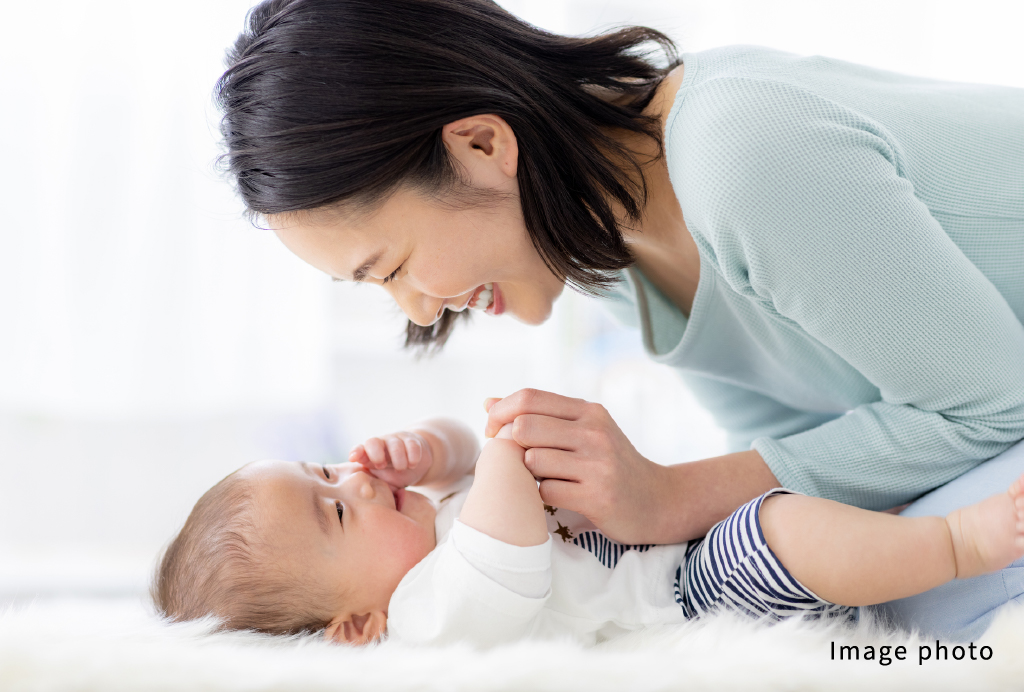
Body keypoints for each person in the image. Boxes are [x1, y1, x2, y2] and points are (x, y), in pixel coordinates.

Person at [213, 0, 1024, 637]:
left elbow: (995, 402)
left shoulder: (741, 157)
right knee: (846, 584)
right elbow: (814, 442)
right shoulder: (606, 254)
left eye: (391, 268)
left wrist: (671, 497)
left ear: (482, 146)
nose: (418, 308)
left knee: (921, 608)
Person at [153, 416, 1024, 644]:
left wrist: (435, 448)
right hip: (686, 590)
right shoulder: (425, 619)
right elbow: (507, 548)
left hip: (666, 530)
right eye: (335, 507)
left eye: (323, 469)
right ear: (353, 627)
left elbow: (464, 471)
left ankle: (887, 528)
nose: (354, 475)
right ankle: (958, 547)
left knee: (768, 491)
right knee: (780, 531)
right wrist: (499, 444)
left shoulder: (424, 539)